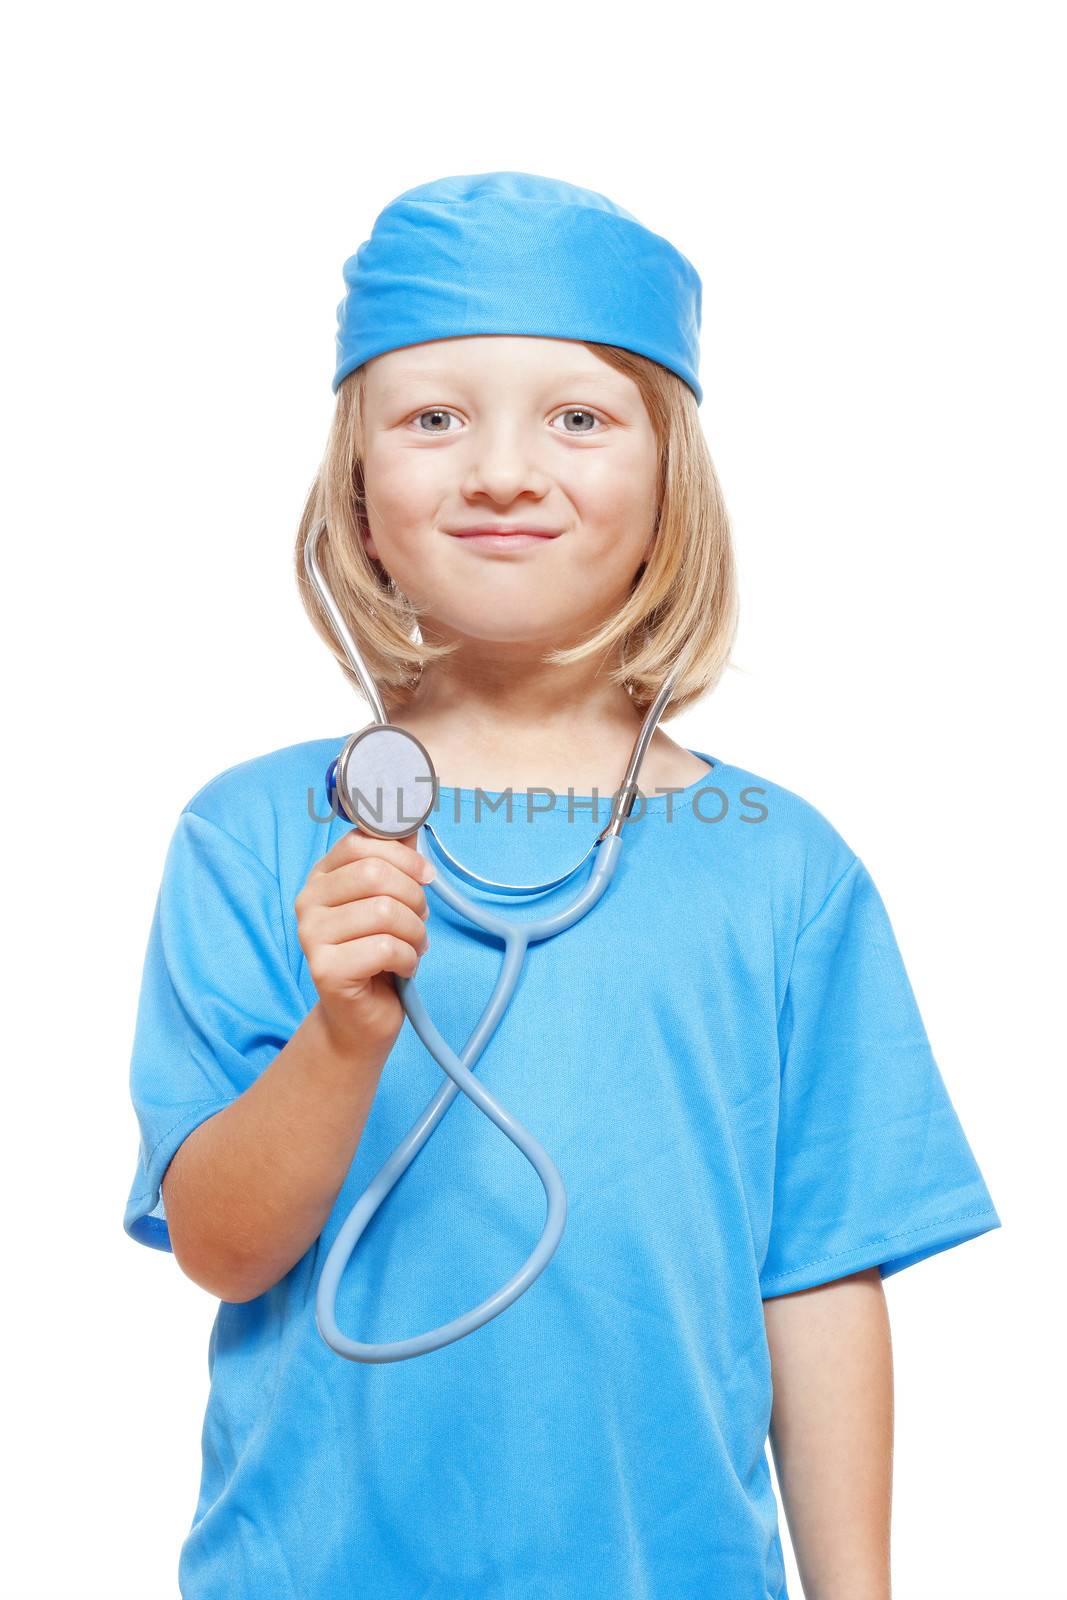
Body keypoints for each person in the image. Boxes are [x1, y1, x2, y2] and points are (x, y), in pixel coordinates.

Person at [122, 171, 1001, 1600]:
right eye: (431, 419)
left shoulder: (779, 865)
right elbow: (220, 1247)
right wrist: (344, 1035)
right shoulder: (254, 832)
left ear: (670, 478)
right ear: (358, 481)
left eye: (579, 417)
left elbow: (822, 1275)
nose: (502, 471)